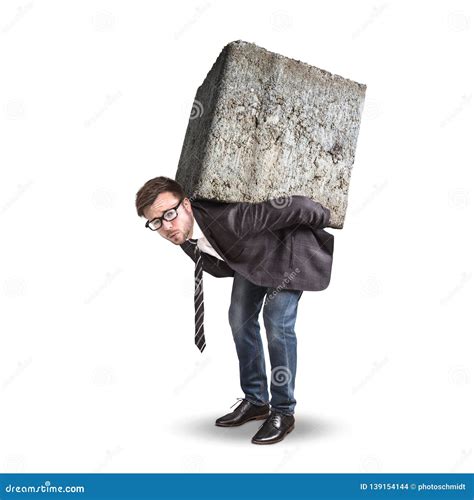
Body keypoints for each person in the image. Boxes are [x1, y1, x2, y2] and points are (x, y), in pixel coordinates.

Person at [135, 176, 333, 444]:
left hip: (287, 253)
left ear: (187, 205)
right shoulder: (182, 237)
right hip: (253, 258)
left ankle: (283, 411)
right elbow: (220, 262)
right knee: (239, 317)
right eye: (156, 222)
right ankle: (256, 401)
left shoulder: (231, 218)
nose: (166, 226)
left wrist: (324, 216)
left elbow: (294, 205)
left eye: (170, 213)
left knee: (276, 322)